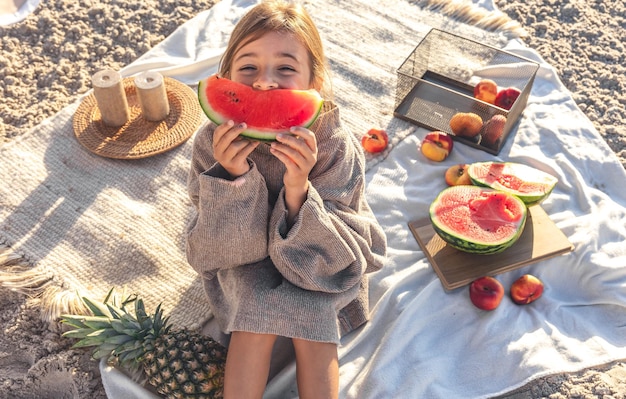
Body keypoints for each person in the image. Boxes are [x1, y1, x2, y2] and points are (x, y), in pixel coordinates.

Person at [185, 1, 387, 397]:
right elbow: (213, 238)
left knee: (314, 324)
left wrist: (298, 188)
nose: (264, 84)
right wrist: (233, 178)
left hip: (318, 253)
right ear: (225, 77)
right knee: (252, 320)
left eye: (286, 68)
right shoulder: (212, 142)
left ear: (315, 81)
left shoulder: (332, 143)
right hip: (244, 257)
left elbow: (341, 231)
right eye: (248, 68)